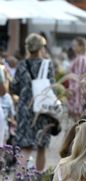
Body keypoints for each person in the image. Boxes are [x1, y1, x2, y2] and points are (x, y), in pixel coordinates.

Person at [11, 33, 54, 172]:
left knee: (25, 147)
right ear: (41, 47)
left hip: (24, 108)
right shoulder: (47, 65)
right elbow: (52, 87)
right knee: (41, 147)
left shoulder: (21, 64)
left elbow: (14, 87)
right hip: (42, 108)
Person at [67, 37, 86, 118]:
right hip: (77, 91)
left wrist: (71, 91)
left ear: (81, 46)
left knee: (77, 118)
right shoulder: (82, 58)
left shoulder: (81, 59)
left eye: (75, 45)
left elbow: (79, 78)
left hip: (77, 92)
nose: (74, 48)